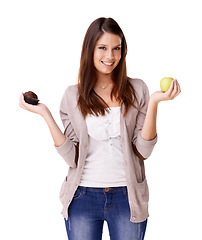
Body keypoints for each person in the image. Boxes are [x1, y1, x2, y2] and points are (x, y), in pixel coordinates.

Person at [19, 17, 181, 240]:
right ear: (89, 50)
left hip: (128, 197)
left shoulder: (137, 89)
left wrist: (154, 102)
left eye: (117, 48)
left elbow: (143, 151)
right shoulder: (72, 96)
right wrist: (45, 114)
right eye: (102, 48)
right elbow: (71, 158)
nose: (110, 56)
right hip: (82, 196)